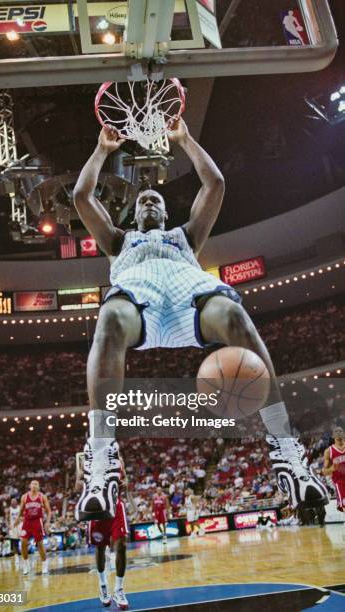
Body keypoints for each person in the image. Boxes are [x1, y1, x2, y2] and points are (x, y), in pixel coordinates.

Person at [73, 117, 328, 522]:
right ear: (133, 213)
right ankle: (101, 464)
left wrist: (186, 140)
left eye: (156, 200)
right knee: (109, 321)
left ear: (166, 210)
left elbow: (216, 185)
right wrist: (103, 151)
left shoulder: (185, 236)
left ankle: (287, 450)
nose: (150, 202)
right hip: (139, 299)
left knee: (235, 316)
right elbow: (82, 195)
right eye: (143, 201)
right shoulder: (118, 240)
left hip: (188, 296)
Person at [76, 454, 135, 609]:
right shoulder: (88, 461)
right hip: (96, 510)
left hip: (115, 507)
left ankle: (119, 589)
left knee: (121, 545)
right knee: (100, 548)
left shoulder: (118, 459)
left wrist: (123, 483)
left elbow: (126, 481)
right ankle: (103, 585)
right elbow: (77, 486)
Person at [16, 480, 51, 575]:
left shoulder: (42, 497)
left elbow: (49, 511)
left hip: (37, 521)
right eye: (33, 484)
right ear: (30, 486)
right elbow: (21, 510)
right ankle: (26, 564)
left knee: (40, 544)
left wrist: (47, 522)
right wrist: (17, 519)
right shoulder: (24, 496)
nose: (34, 485)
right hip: (26, 522)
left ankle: (44, 564)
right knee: (23, 542)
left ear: (39, 487)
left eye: (36, 484)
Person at [323, 427, 345, 512]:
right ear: (333, 436)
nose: (339, 432)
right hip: (339, 483)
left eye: (340, 431)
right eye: (336, 431)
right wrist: (332, 468)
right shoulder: (329, 451)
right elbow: (325, 471)